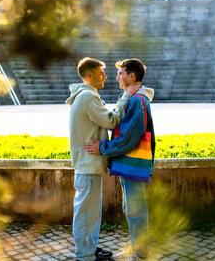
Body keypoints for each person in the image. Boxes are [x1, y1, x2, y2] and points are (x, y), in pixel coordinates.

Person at [66, 57, 140, 261]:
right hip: (88, 165)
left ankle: (89, 249)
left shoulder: (85, 96)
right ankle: (84, 255)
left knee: (88, 212)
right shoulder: (88, 97)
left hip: (87, 164)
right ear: (89, 76)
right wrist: (125, 96)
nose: (106, 77)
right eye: (101, 73)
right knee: (87, 214)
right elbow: (111, 121)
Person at [84, 58, 155, 261]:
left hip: (132, 164)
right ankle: (137, 249)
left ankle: (141, 255)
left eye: (121, 73)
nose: (116, 77)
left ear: (131, 76)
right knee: (130, 208)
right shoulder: (134, 98)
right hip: (128, 164)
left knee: (136, 210)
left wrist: (103, 148)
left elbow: (128, 138)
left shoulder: (136, 101)